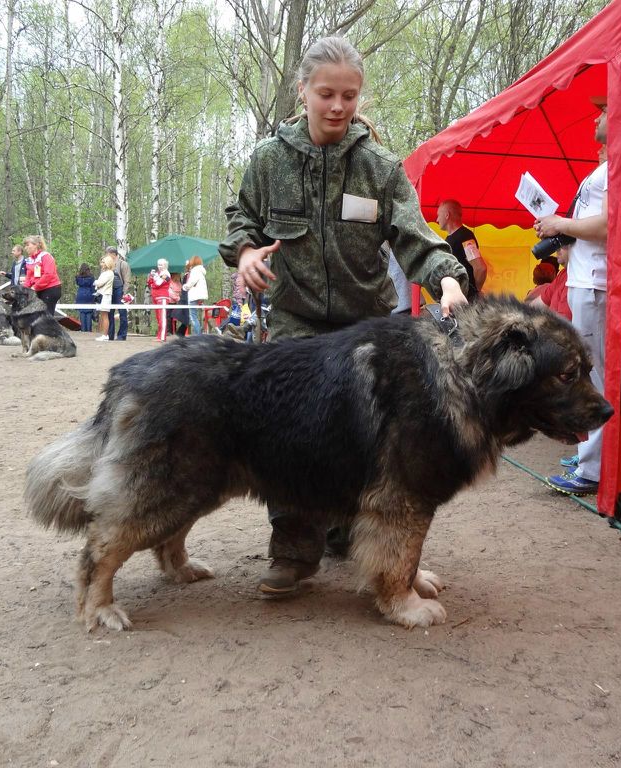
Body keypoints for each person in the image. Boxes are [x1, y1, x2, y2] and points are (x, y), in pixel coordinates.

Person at [220, 35, 470, 594]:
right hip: (295, 324)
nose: (338, 106)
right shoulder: (268, 161)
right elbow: (242, 220)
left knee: (373, 440)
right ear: (303, 90)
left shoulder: (379, 167)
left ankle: (355, 539)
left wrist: (448, 281)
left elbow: (416, 237)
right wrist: (246, 254)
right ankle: (293, 551)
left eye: (349, 96)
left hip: (366, 327)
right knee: (288, 435)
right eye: (327, 93)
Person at [534, 94, 609, 495]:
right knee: (590, 371)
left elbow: (608, 226)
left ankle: (594, 467)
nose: (597, 117)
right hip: (586, 278)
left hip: (595, 283)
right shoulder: (605, 170)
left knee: (594, 374)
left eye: (604, 110)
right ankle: (589, 456)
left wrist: (562, 222)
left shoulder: (615, 168)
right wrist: (559, 230)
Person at [437, 199, 487, 301]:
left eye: (438, 215)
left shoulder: (465, 237)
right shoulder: (451, 238)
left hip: (464, 302)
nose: (437, 219)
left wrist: (474, 292)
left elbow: (480, 268)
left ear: (447, 215)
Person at [529, 246, 571, 321]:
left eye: (563, 243)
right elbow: (535, 305)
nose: (557, 249)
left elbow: (562, 326)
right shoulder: (563, 274)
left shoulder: (576, 279)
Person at [23, 235, 62, 315]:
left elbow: (48, 274)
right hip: (38, 289)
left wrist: (35, 287)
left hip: (50, 288)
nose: (25, 248)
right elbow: (28, 277)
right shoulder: (30, 260)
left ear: (36, 245)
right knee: (36, 315)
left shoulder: (46, 256)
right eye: (25, 245)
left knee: (46, 316)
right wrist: (23, 290)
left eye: (28, 245)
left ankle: (49, 327)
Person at [106, 246, 131, 341]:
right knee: (109, 313)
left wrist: (124, 292)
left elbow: (127, 279)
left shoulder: (123, 264)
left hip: (120, 290)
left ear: (113, 254)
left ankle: (122, 335)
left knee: (122, 313)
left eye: (108, 254)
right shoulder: (107, 264)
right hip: (109, 291)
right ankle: (110, 335)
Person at [147, 258, 173, 341]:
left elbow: (158, 284)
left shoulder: (166, 274)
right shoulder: (158, 273)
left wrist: (154, 280)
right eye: (158, 264)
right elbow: (150, 282)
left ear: (165, 265)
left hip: (162, 297)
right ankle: (159, 336)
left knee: (162, 318)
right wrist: (152, 277)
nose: (159, 266)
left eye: (161, 265)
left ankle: (162, 337)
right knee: (158, 317)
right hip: (155, 297)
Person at [182, 256, 208, 335]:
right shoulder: (200, 271)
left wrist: (184, 287)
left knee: (193, 316)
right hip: (200, 295)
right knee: (196, 316)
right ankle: (198, 333)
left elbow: (190, 283)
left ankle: (198, 335)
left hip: (194, 296)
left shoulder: (195, 271)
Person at [93, 255, 115, 340]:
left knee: (105, 315)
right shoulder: (105, 273)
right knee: (102, 315)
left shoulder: (109, 273)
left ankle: (105, 335)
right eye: (101, 262)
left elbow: (99, 283)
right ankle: (103, 334)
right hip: (101, 295)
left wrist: (95, 282)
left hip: (105, 295)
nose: (101, 264)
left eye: (103, 262)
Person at [74, 263, 96, 333]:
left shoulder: (78, 277)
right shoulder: (91, 277)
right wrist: (94, 296)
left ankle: (83, 330)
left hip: (81, 294)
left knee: (82, 312)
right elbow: (93, 287)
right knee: (89, 312)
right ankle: (89, 330)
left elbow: (78, 284)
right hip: (89, 294)